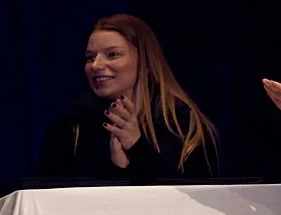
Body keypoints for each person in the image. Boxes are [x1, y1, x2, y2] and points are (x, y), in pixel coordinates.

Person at [35, 14, 217, 181]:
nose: (96, 65)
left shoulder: (184, 126)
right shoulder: (69, 130)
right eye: (90, 58)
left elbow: (192, 204)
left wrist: (137, 147)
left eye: (112, 54)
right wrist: (116, 169)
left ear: (145, 61)